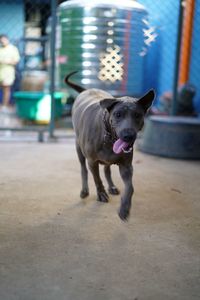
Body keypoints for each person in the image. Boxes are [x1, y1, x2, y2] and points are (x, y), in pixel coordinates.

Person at [0, 34, 20, 112]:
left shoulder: (13, 49)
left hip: (8, 73)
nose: (3, 41)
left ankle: (5, 106)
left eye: (4, 39)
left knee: (6, 89)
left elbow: (16, 60)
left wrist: (6, 62)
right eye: (1, 40)